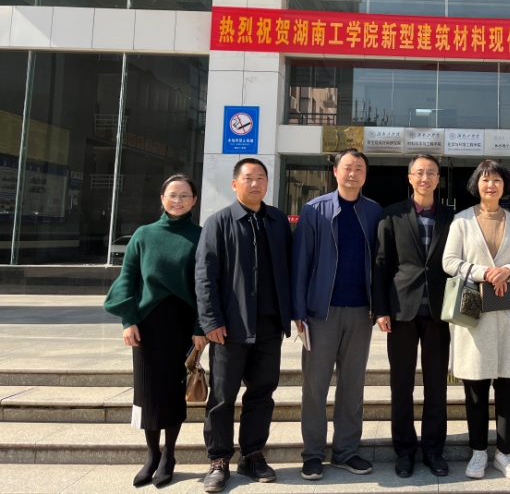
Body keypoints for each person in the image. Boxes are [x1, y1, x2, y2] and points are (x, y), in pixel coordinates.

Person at [195, 158, 293, 493]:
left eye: (261, 178)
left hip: (269, 325)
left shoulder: (278, 221)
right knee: (222, 397)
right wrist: (210, 320)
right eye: (248, 178)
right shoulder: (219, 222)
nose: (255, 183)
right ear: (235, 184)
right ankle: (218, 460)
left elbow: (289, 269)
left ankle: (252, 455)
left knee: (262, 392)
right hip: (229, 328)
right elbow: (204, 275)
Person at [104, 174, 206, 488]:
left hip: (183, 326)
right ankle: (151, 454)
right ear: (162, 198)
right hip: (147, 324)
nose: (178, 201)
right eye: (172, 195)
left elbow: (205, 286)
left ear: (194, 200)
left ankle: (169, 455)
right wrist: (127, 320)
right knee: (147, 390)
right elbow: (127, 278)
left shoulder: (201, 236)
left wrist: (201, 327)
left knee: (174, 390)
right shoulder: (144, 234)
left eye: (185, 195)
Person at [292, 148, 382, 481]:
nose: (352, 173)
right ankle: (313, 454)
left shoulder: (374, 211)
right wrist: (298, 311)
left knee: (352, 386)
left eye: (359, 169)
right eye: (347, 167)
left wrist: (379, 306)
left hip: (360, 312)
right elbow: (300, 262)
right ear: (335, 172)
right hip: (321, 313)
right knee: (315, 386)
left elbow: (380, 263)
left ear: (365, 175)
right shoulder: (314, 210)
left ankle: (346, 451)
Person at [443, 160, 510, 480]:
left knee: (509, 387)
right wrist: (485, 273)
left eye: (496, 180)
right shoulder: (461, 221)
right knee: (476, 388)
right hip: (474, 312)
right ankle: (478, 452)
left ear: (504, 186)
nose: (491, 185)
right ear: (476, 185)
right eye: (485, 180)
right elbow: (449, 261)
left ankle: (504, 454)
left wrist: (507, 271)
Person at [373, 154, 455, 478]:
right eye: (419, 172)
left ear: (438, 179)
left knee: (437, 385)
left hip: (439, 312)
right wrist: (380, 309)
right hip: (401, 311)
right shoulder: (392, 214)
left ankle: (433, 449)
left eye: (431, 173)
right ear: (409, 178)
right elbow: (381, 264)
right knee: (401, 384)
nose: (425, 178)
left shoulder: (451, 216)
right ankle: (405, 451)